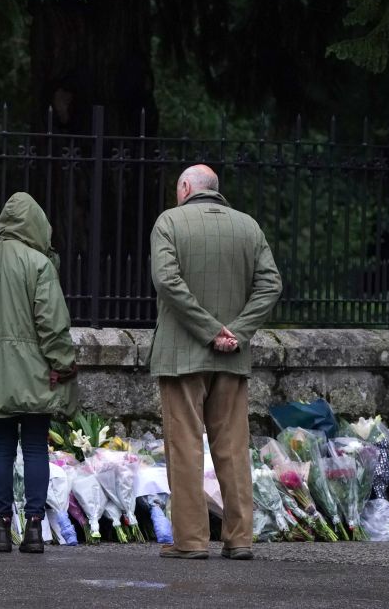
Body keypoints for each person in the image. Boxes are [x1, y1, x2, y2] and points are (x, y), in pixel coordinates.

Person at [149, 164, 282, 560]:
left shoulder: (169, 223)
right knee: (233, 448)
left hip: (182, 355)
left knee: (185, 445)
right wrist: (236, 332)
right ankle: (239, 538)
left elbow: (167, 281)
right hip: (232, 357)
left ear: (186, 187)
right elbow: (271, 284)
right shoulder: (248, 227)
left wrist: (209, 330)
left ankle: (190, 541)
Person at [0, 192, 78, 554]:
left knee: (1, 448)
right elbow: (51, 323)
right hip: (34, 372)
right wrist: (63, 363)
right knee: (34, 447)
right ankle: (33, 528)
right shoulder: (40, 264)